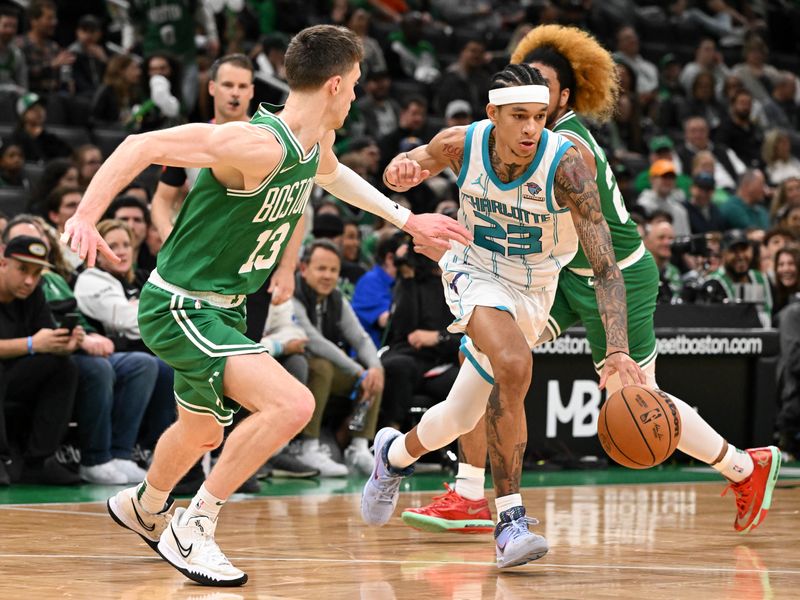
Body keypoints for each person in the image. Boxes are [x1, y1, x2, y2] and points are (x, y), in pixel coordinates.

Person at [61, 24, 469, 587]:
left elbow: (333, 175)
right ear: (332, 85)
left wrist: (406, 218)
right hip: (180, 303)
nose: (355, 95)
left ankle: (145, 504)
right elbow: (142, 145)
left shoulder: (313, 144)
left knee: (202, 432)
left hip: (222, 307)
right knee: (292, 404)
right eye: (352, 84)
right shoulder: (257, 144)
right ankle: (194, 524)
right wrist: (84, 214)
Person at [401, 24, 781, 540]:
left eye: (546, 86)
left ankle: (743, 466)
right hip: (552, 277)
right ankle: (469, 492)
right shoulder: (508, 140)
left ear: (563, 96)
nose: (534, 95)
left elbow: (598, 263)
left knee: (639, 396)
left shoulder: (565, 147)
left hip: (615, 277)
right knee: (486, 360)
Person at [360, 61, 645, 569]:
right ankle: (510, 520)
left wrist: (618, 347)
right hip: (472, 268)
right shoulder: (459, 144)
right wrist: (397, 168)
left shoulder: (568, 165)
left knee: (461, 412)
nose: (532, 129)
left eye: (539, 116)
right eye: (519, 116)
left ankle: (393, 455)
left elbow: (605, 269)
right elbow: (407, 165)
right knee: (514, 364)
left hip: (536, 288)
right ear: (493, 114)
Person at [292, 239, 385, 476]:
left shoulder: (335, 298)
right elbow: (312, 340)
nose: (328, 276)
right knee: (322, 366)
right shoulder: (293, 293)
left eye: (333, 270)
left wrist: (373, 367)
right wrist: (357, 370)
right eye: (321, 269)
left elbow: (361, 339)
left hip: (328, 369)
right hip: (290, 368)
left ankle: (359, 447)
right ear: (304, 269)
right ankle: (307, 447)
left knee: (376, 374)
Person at [0, 235, 80, 486]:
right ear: (3, 263)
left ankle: (38, 461)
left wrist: (65, 344)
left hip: (13, 377)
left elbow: (47, 341)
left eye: (36, 274)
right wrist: (32, 344)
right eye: (22, 269)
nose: (29, 280)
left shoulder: (34, 296)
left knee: (63, 367)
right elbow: (37, 342)